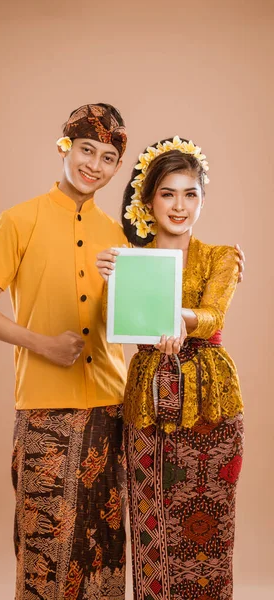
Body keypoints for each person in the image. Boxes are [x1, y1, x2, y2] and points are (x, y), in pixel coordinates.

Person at [0, 104, 130, 600]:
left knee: (104, 547)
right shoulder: (18, 220)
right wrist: (44, 345)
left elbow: (125, 324)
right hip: (44, 410)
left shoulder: (116, 237)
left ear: (117, 167)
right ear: (65, 148)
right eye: (86, 150)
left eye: (107, 158)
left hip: (110, 408)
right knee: (46, 548)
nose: (94, 165)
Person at [96, 136, 244, 600]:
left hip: (212, 400)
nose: (179, 206)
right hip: (147, 399)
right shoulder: (126, 259)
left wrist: (185, 318)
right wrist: (107, 281)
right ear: (148, 198)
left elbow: (214, 315)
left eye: (190, 194)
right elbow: (108, 326)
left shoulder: (221, 256)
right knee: (149, 519)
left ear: (202, 199)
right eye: (168, 193)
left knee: (210, 530)